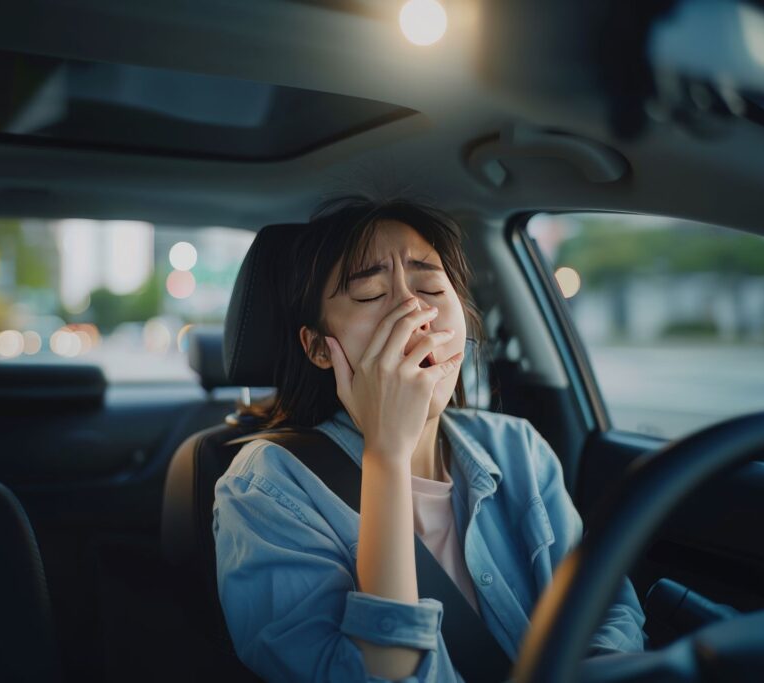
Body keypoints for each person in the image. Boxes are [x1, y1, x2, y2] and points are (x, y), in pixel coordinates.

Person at [212, 197, 645, 682]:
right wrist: (387, 453)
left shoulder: (517, 447)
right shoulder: (265, 487)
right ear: (317, 346)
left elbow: (606, 607)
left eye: (431, 286)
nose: (414, 311)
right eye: (372, 294)